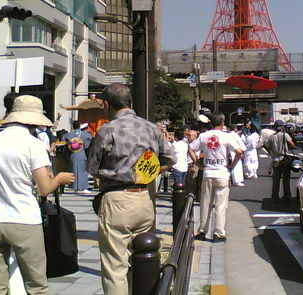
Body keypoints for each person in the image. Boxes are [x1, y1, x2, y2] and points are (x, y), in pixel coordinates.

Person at [0, 95, 75, 295]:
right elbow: (44, 188)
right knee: (36, 285)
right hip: (23, 219)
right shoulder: (34, 145)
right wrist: (60, 178)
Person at [87, 84, 176, 295]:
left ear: (106, 105)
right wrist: (147, 173)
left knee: (115, 267)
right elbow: (171, 158)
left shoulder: (107, 130)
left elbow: (92, 168)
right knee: (142, 260)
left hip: (116, 200)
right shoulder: (150, 128)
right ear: (131, 103)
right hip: (144, 197)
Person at [189, 113, 243, 243]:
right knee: (220, 205)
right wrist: (232, 165)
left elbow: (190, 149)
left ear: (210, 123)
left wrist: (197, 163)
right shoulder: (226, 136)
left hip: (208, 172)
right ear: (222, 123)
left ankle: (202, 231)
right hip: (222, 172)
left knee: (205, 203)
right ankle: (218, 233)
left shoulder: (203, 136)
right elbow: (240, 152)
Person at [266, 119, 296, 202]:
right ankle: (287, 196)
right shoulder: (285, 135)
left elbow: (268, 148)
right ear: (282, 127)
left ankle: (275, 196)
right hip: (284, 159)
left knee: (276, 179)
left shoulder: (271, 137)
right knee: (286, 178)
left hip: (276, 159)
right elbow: (292, 144)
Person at [64, 121, 93, 193]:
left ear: (73, 126)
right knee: (83, 170)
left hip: (73, 153)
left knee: (73, 170)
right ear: (80, 126)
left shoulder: (69, 135)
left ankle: (74, 187)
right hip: (81, 152)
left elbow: (65, 140)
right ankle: (84, 187)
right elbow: (87, 144)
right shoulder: (85, 134)